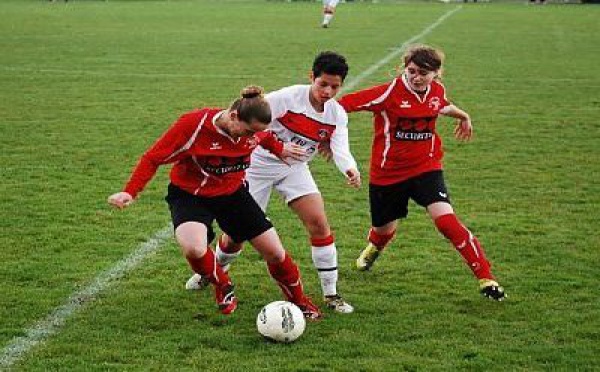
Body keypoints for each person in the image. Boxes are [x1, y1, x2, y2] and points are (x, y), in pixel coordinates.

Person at [107, 86, 322, 318]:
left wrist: (280, 149)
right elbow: (153, 158)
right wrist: (129, 192)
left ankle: (301, 303)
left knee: (276, 253)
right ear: (233, 116)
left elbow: (264, 136)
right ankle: (222, 284)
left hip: (233, 194)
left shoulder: (252, 131)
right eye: (248, 131)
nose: (251, 138)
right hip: (190, 195)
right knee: (194, 247)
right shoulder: (193, 126)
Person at [186, 52, 361, 313]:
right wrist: (279, 146)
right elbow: (251, 119)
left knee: (319, 224)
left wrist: (350, 168)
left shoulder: (336, 114)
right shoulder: (287, 98)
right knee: (236, 236)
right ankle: (212, 272)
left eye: (334, 87)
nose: (327, 91)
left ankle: (331, 294)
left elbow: (340, 145)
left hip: (294, 169)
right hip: (256, 166)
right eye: (322, 84)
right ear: (311, 77)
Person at [338, 44, 506, 301]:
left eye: (423, 73)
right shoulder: (388, 93)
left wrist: (463, 115)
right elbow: (341, 106)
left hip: (426, 167)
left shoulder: (437, 91)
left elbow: (441, 105)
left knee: (447, 221)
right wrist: (327, 137)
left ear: (436, 74)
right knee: (383, 229)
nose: (416, 77)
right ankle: (374, 247)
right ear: (404, 69)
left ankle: (486, 278)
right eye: (412, 71)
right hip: (387, 174)